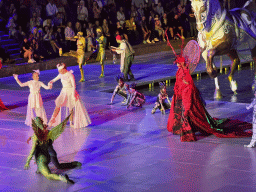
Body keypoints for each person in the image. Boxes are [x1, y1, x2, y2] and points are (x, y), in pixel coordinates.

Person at [24, 115, 75, 184]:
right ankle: (39, 168)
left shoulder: (36, 136)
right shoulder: (47, 132)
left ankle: (61, 178)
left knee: (48, 175)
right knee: (57, 165)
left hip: (43, 157)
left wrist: (27, 162)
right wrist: (32, 137)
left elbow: (33, 150)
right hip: (49, 156)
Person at [48, 63, 91, 129]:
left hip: (70, 91)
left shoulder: (70, 75)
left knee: (71, 108)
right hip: (64, 91)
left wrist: (73, 94)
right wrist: (50, 83)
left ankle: (71, 122)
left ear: (64, 69)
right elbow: (53, 80)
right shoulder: (60, 75)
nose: (60, 72)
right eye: (59, 71)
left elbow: (74, 85)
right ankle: (53, 119)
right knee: (58, 104)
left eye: (60, 71)